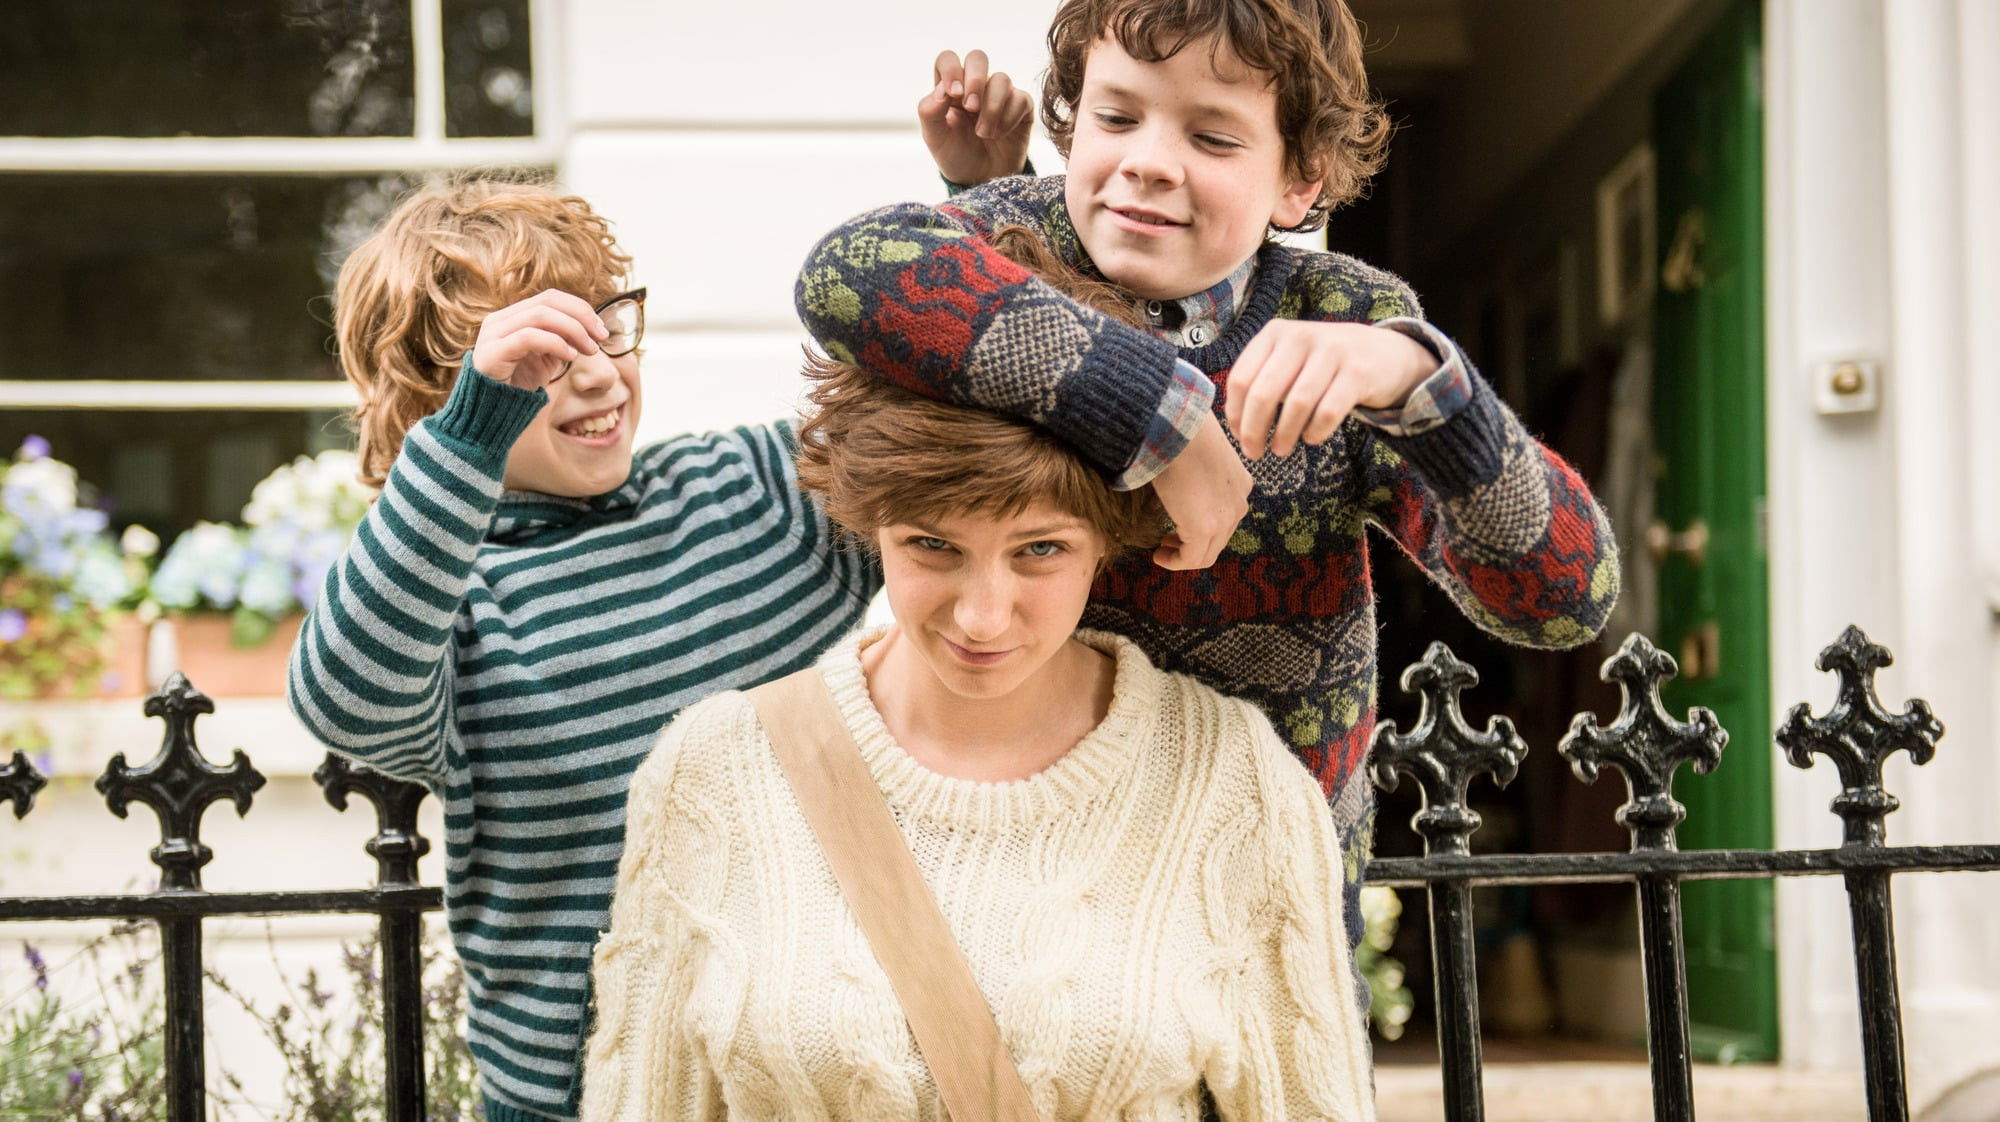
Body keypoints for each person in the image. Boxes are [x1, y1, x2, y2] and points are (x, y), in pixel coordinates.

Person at [287, 177, 1196, 1121]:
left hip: (804, 1080)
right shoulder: (456, 606)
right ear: (439, 400)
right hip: (580, 1099)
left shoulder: (746, 489)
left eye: (604, 328)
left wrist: (976, 195)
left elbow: (939, 452)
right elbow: (342, 701)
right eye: (540, 361)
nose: (596, 375)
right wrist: (471, 435)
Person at [796, 0, 1621, 954]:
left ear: (1299, 182)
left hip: (1253, 912)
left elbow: (1563, 600)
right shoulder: (1006, 242)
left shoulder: (1344, 319)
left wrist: (1416, 381)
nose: (1148, 160)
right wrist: (1165, 417)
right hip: (1012, 884)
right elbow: (844, 272)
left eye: (1213, 136)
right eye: (1116, 116)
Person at [580, 348, 1378, 1122]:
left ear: (1108, 538)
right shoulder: (715, 770)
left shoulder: (1230, 778)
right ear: (873, 528)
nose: (983, 617)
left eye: (1041, 549)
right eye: (933, 545)